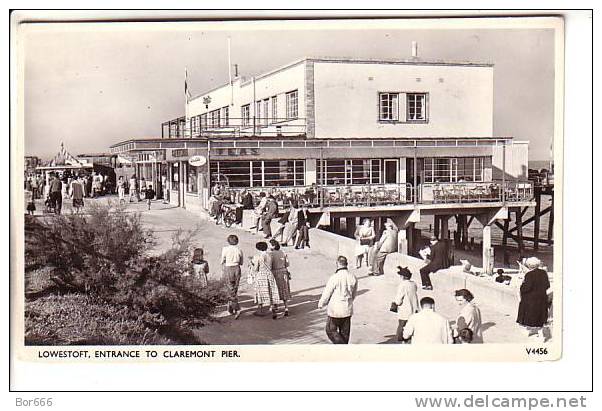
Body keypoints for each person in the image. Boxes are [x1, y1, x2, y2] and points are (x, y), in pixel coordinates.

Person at [318, 256, 358, 344]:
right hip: (347, 308)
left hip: (335, 309)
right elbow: (354, 294)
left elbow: (327, 292)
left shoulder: (334, 277)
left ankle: (342, 347)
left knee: (330, 330)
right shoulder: (353, 277)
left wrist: (321, 303)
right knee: (345, 333)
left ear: (338, 264)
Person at [516, 257, 550, 340]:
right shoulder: (543, 273)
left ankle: (533, 332)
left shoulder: (529, 275)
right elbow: (547, 285)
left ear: (530, 265)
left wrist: (521, 286)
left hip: (531, 300)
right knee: (540, 317)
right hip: (542, 299)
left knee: (529, 315)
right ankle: (539, 333)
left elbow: (526, 288)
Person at [249, 241, 280, 319]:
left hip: (261, 275)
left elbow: (256, 268)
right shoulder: (270, 255)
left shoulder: (258, 256)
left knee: (260, 292)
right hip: (269, 274)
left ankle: (260, 310)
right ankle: (272, 307)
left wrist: (251, 264)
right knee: (270, 291)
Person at [391, 266, 419, 343]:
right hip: (414, 308)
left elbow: (398, 300)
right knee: (412, 325)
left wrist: (395, 303)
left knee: (402, 325)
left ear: (403, 276)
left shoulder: (402, 285)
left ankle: (401, 340)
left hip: (405, 309)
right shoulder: (414, 284)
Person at [221, 234, 244, 319]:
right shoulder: (239, 250)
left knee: (229, 288)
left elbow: (222, 260)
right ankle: (231, 306)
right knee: (235, 288)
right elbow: (241, 262)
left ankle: (236, 307)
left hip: (228, 268)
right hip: (237, 268)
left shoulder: (225, 249)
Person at [269, 239, 291, 317]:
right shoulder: (283, 253)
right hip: (283, 272)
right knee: (284, 289)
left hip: (275, 273)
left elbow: (269, 265)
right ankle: (286, 308)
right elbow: (287, 264)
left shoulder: (270, 254)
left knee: (275, 290)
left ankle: (275, 307)